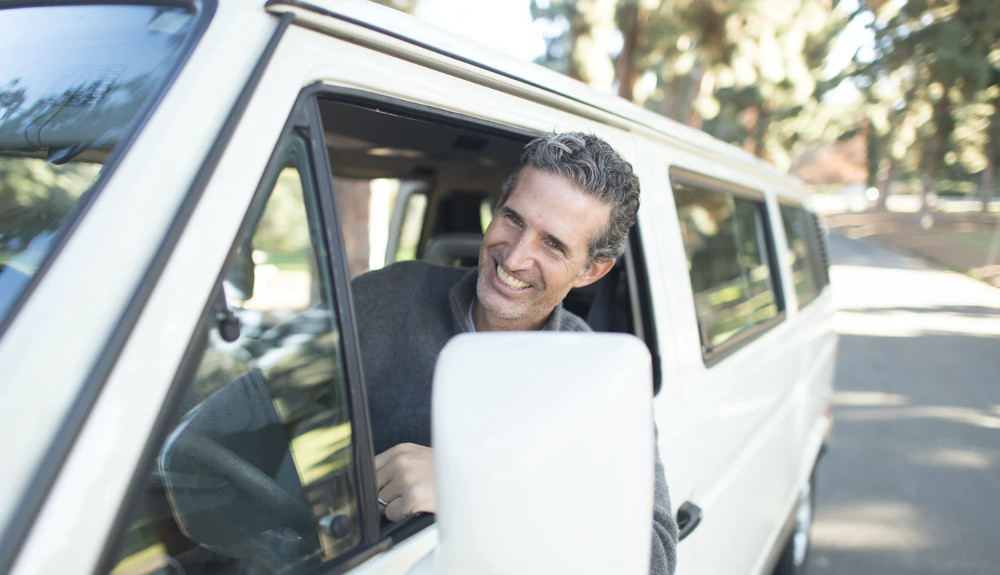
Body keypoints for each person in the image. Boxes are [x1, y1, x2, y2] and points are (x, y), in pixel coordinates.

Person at [351, 132, 678, 575]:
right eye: (514, 219)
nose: (515, 258)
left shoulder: (600, 380)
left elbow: (656, 557)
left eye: (553, 244)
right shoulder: (384, 297)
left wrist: (470, 490)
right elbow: (248, 416)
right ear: (500, 202)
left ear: (591, 271)